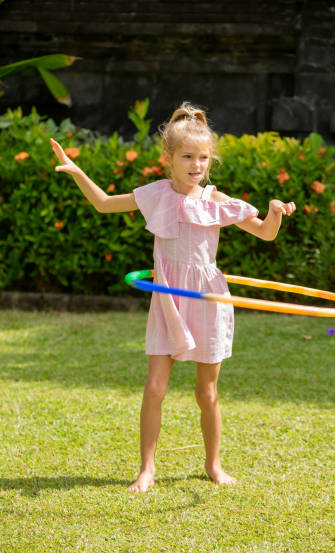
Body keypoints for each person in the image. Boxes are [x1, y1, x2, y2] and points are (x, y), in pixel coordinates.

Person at [50, 101, 296, 493]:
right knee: (155, 387)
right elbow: (103, 204)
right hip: (167, 296)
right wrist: (79, 172)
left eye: (203, 157)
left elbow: (266, 233)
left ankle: (213, 464)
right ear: (168, 157)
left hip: (208, 298)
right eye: (187, 156)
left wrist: (274, 212)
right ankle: (146, 469)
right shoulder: (156, 194)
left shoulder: (215, 200)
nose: (196, 164)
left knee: (207, 391)